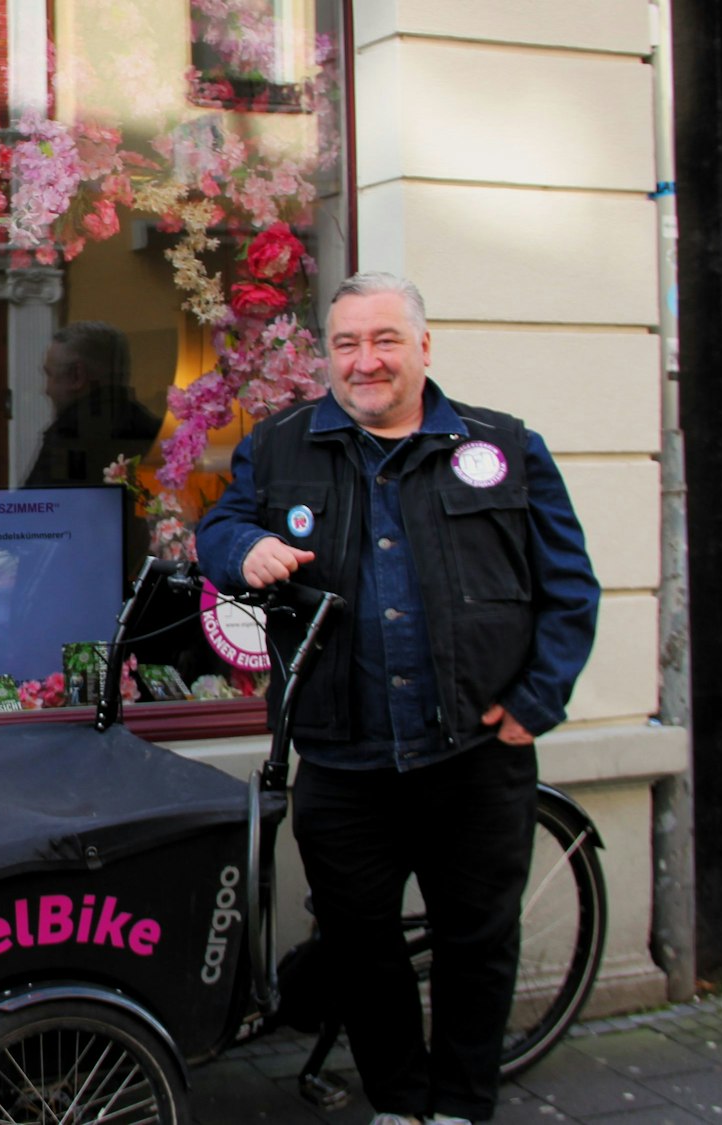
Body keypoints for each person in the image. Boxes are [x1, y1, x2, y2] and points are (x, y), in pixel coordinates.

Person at [194, 272, 598, 1125]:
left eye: (384, 340)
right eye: (347, 343)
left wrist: (538, 700)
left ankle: (460, 1107)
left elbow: (570, 587)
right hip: (343, 754)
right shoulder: (279, 446)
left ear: (423, 346)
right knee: (359, 944)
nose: (365, 360)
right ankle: (401, 1103)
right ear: (328, 354)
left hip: (475, 751)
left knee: (476, 942)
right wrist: (245, 548)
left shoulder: (505, 446)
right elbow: (219, 529)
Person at [24, 321, 162, 488]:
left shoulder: (69, 436)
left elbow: (39, 502)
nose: (46, 390)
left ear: (77, 376)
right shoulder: (157, 433)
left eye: (50, 375)